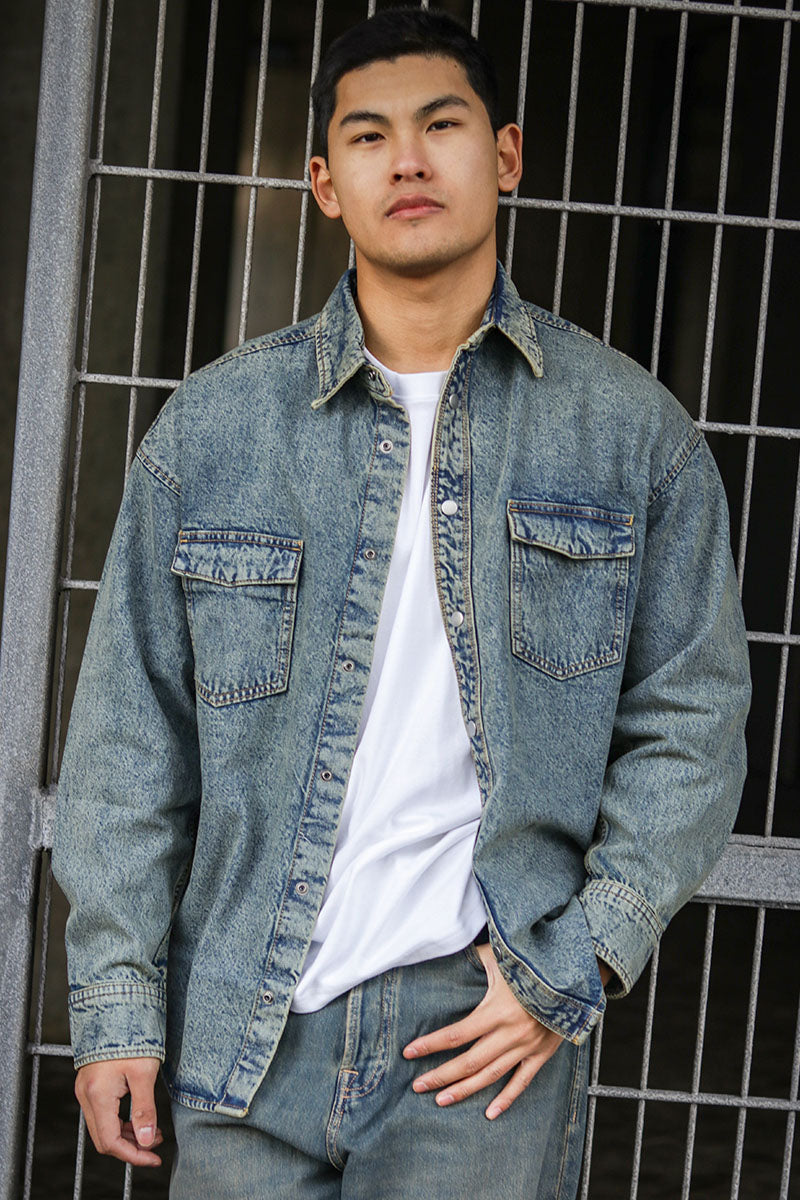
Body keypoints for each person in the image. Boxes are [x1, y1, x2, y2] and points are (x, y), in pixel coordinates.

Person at [51, 7, 751, 1198]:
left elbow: (691, 721)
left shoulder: (631, 437)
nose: (409, 161)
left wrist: (574, 960)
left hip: (476, 1038)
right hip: (243, 1024)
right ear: (324, 184)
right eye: (369, 137)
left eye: (442, 125)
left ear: (506, 155)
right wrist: (118, 1006)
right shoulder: (213, 434)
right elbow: (129, 742)